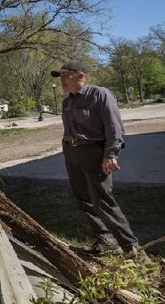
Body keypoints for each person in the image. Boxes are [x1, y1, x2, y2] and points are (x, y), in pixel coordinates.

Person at [51, 61, 139, 255]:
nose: (62, 81)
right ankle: (106, 240)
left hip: (94, 153)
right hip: (72, 153)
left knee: (103, 200)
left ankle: (133, 249)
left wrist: (111, 154)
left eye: (67, 76)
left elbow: (114, 127)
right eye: (61, 77)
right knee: (83, 198)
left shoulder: (100, 94)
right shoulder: (67, 102)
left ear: (81, 77)